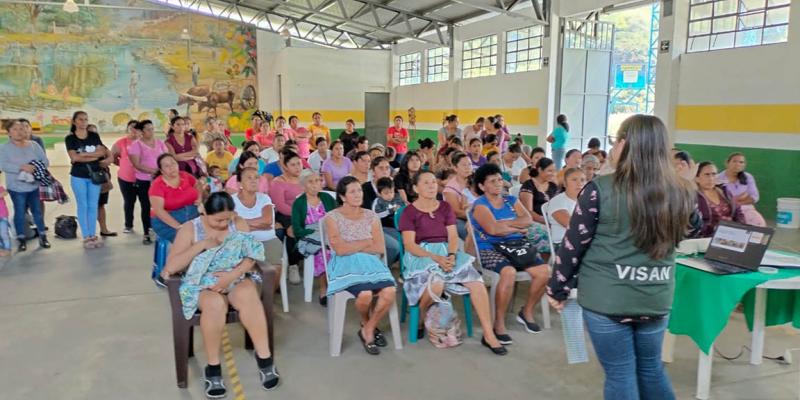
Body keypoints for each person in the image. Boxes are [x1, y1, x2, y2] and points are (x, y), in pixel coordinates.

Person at [547, 115, 696, 400]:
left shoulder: (599, 190)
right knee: (652, 369)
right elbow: (692, 228)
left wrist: (558, 287)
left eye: (615, 141)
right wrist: (686, 184)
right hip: (656, 296)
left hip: (608, 298)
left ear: (625, 144)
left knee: (620, 372)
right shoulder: (681, 191)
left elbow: (573, 244)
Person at [160, 192, 280, 397]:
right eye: (218, 220)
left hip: (234, 277)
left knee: (248, 296)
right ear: (204, 212)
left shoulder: (238, 223)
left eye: (228, 218)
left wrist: (232, 275)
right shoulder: (190, 229)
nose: (224, 224)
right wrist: (201, 245)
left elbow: (250, 255)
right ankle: (213, 367)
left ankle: (265, 359)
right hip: (202, 285)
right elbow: (171, 267)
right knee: (215, 305)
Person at [399, 170, 506, 355]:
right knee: (437, 283)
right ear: (415, 188)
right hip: (421, 254)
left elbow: (453, 236)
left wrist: (450, 255)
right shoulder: (409, 212)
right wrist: (436, 258)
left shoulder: (445, 207)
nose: (432, 185)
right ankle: (421, 315)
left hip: (447, 252)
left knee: (477, 283)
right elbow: (409, 245)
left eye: (433, 181)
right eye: (426, 183)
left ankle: (489, 335)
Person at [470, 163, 550, 343]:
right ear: (482, 186)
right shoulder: (480, 205)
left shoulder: (511, 200)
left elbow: (528, 220)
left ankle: (526, 311)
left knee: (545, 272)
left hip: (516, 245)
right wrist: (514, 225)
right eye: (492, 181)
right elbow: (492, 230)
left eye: (499, 179)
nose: (498, 183)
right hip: (489, 248)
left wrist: (505, 225)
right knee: (508, 272)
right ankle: (499, 322)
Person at [324, 176, 397, 355]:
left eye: (359, 190)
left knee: (390, 292)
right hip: (344, 263)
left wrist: (353, 245)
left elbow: (379, 247)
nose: (358, 194)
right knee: (364, 294)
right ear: (342, 197)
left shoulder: (370, 216)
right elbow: (339, 250)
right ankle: (366, 322)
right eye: (352, 191)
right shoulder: (332, 217)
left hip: (371, 262)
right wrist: (365, 241)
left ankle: (368, 327)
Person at [0, 119, 50, 251]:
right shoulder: (5, 148)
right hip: (16, 187)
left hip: (34, 185)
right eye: (15, 129)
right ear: (9, 132)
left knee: (37, 212)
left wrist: (34, 167)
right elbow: (3, 165)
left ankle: (43, 237)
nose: (19, 132)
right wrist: (21, 168)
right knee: (20, 212)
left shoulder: (34, 145)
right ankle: (21, 238)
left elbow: (44, 161)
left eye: (22, 129)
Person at [232, 167, 283, 291]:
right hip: (242, 241)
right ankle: (254, 300)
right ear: (239, 183)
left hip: (267, 239)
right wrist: (259, 224)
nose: (254, 181)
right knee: (247, 270)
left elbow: (268, 221)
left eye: (256, 177)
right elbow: (232, 225)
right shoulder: (231, 201)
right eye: (249, 178)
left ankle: (267, 300)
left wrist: (244, 224)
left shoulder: (264, 198)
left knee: (275, 269)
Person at [291, 170, 337, 305]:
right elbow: (297, 229)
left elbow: (336, 218)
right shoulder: (299, 203)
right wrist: (315, 232)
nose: (315, 184)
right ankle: (325, 288)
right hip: (309, 238)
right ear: (303, 185)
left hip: (329, 234)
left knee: (337, 248)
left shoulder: (327, 198)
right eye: (311, 182)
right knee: (323, 252)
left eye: (317, 181)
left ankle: (340, 283)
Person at [65, 111, 108, 249]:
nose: (83, 122)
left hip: (94, 175)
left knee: (93, 205)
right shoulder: (70, 138)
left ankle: (93, 234)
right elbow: (74, 158)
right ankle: (86, 236)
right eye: (80, 119)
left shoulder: (94, 136)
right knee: (83, 205)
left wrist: (84, 154)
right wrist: (93, 155)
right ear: (74, 122)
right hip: (78, 176)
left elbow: (102, 153)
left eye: (85, 119)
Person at [128, 119, 168, 245]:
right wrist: (154, 171)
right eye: (148, 129)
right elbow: (136, 164)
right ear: (141, 132)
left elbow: (167, 158)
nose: (151, 131)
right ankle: (147, 232)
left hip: (161, 180)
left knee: (162, 206)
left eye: (152, 128)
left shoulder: (160, 143)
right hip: (144, 181)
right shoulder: (136, 145)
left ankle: (162, 230)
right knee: (146, 206)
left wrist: (162, 171)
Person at [149, 154, 201, 243]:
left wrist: (200, 197)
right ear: (161, 171)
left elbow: (198, 184)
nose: (171, 167)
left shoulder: (184, 175)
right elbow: (159, 211)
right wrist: (179, 227)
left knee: (208, 236)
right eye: (166, 166)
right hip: (167, 221)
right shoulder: (157, 186)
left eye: (173, 163)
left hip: (192, 215)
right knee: (189, 241)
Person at [360, 157, 401, 267]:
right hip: (372, 228)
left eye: (387, 168)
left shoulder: (392, 188)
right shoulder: (365, 188)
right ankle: (380, 269)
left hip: (392, 227)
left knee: (407, 240)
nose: (385, 171)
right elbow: (367, 214)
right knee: (395, 246)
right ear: (373, 171)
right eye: (381, 168)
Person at [694, 161, 744, 238]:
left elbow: (738, 212)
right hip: (708, 237)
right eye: (707, 174)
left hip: (732, 234)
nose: (711, 178)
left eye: (714, 174)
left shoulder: (724, 191)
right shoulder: (694, 197)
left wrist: (742, 229)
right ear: (697, 178)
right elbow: (696, 224)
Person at [718, 153, 766, 227]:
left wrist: (736, 202)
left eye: (741, 162)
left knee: (759, 226)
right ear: (727, 163)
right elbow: (720, 200)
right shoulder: (718, 179)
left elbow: (754, 197)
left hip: (747, 210)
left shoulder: (748, 177)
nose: (738, 164)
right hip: (727, 212)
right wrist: (743, 196)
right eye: (734, 161)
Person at [112, 120, 140, 234]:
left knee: (146, 203)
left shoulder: (145, 142)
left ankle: (149, 226)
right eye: (131, 128)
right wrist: (122, 164)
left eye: (136, 128)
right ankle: (128, 225)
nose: (134, 130)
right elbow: (113, 156)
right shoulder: (121, 142)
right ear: (127, 129)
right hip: (125, 178)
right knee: (129, 202)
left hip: (143, 178)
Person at [546, 167, 585, 246]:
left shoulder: (585, 201)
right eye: (574, 180)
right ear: (564, 183)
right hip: (564, 245)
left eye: (582, 180)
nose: (579, 183)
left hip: (582, 242)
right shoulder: (557, 201)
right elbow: (572, 225)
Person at [91, 124, 116, 239]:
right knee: (90, 206)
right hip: (88, 180)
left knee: (100, 205)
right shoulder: (81, 147)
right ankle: (90, 232)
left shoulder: (102, 147)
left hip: (102, 180)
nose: (93, 135)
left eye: (95, 133)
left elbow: (111, 158)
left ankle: (104, 229)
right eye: (90, 132)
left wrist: (105, 161)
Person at [519, 157, 559, 225]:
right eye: (550, 171)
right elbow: (528, 212)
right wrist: (547, 222)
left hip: (551, 220)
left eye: (554, 171)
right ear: (540, 170)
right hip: (535, 222)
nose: (553, 174)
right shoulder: (528, 185)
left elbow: (557, 206)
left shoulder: (553, 186)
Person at [442, 152, 472, 240]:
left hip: (476, 214)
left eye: (469, 164)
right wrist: (477, 215)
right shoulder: (450, 189)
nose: (468, 167)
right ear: (455, 168)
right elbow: (456, 212)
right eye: (464, 165)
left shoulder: (476, 181)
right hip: (460, 219)